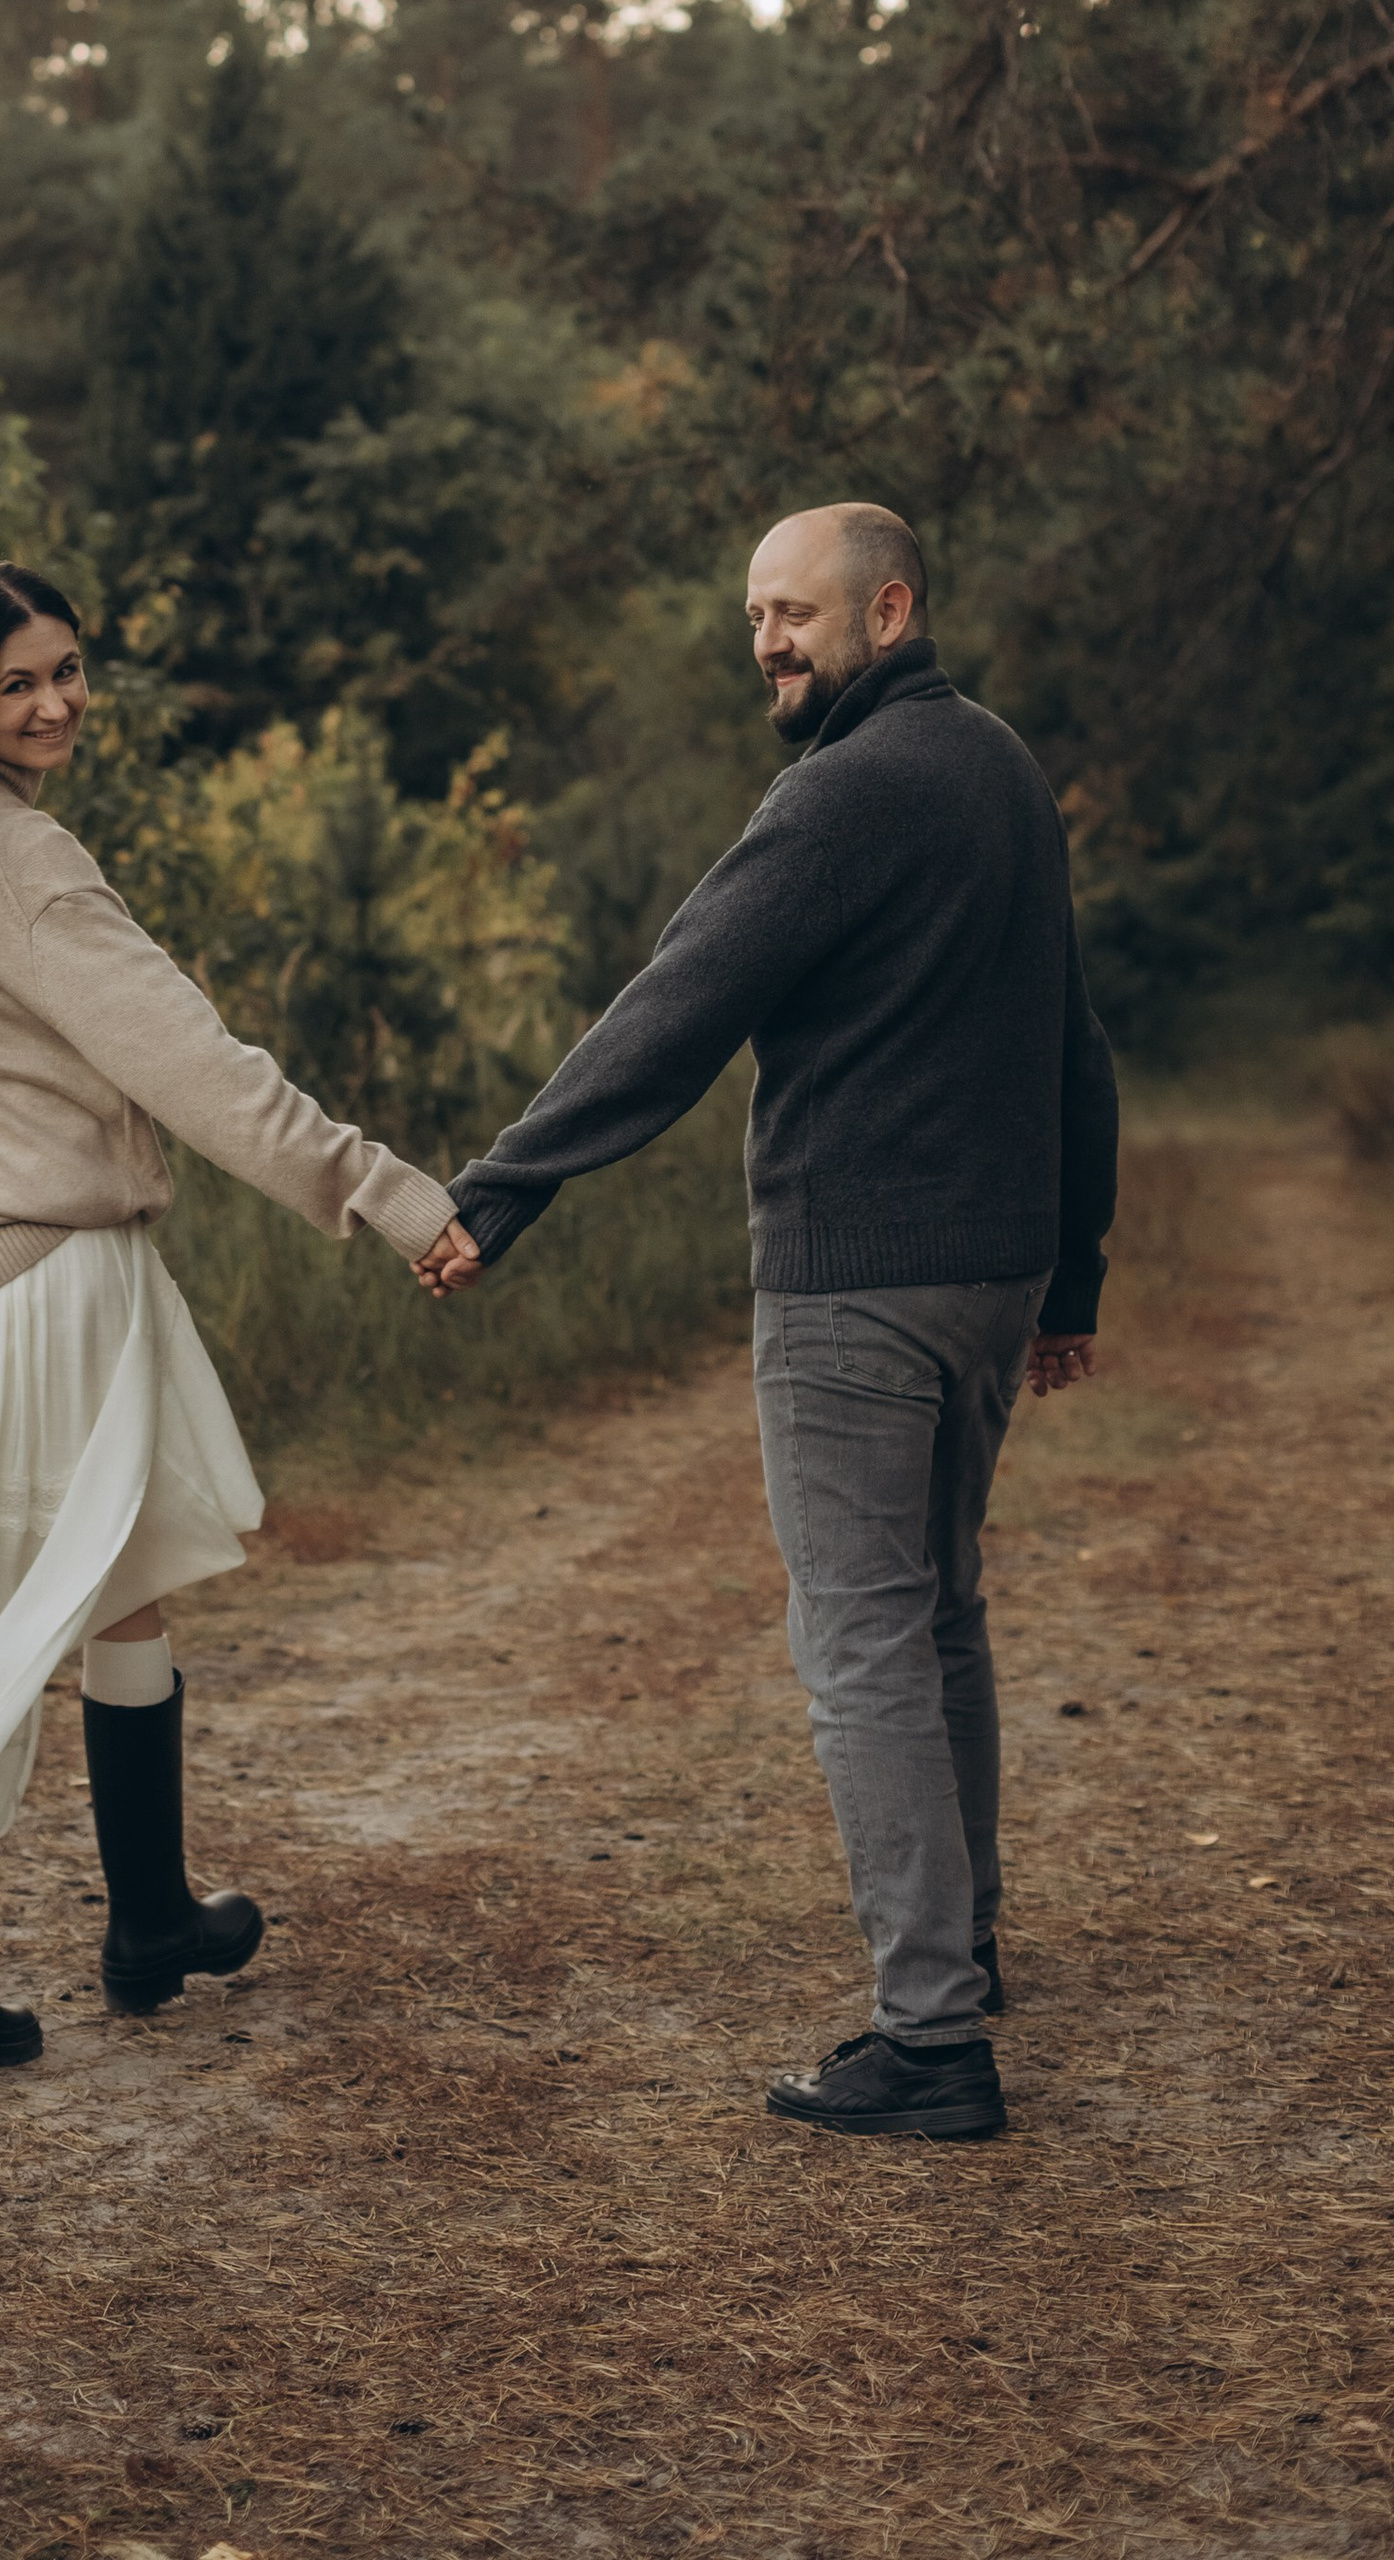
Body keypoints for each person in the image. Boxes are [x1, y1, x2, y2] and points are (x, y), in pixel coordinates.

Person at [415, 504, 1118, 2142]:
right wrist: (1070, 1275)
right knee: (936, 1610)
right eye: (752, 619)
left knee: (860, 1633)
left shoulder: (845, 792)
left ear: (892, 606)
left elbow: (682, 996)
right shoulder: (1006, 771)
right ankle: (970, 1944)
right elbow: (1076, 1041)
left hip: (857, 1283)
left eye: (796, 614)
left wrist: (503, 1186)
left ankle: (932, 2041)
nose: (770, 645)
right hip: (989, 1272)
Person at [0, 559, 454, 2084]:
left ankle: (144, 1919)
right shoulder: (20, 858)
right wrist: (394, 1197)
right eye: (19, 681)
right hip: (30, 1288)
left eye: (69, 670)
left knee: (102, 1573)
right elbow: (196, 1067)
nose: (56, 702)